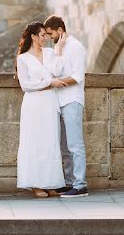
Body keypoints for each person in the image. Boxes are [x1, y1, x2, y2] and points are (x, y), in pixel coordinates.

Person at [16, 21, 68, 198]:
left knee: (50, 143)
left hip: (49, 103)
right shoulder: (23, 58)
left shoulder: (49, 53)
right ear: (33, 36)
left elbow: (58, 70)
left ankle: (50, 183)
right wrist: (48, 83)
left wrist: (59, 48)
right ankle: (36, 184)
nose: (45, 38)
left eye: (46, 35)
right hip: (34, 106)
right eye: (42, 35)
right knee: (35, 143)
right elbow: (25, 85)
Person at [44, 15, 88, 197]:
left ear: (60, 30)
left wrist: (55, 82)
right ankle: (70, 182)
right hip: (59, 102)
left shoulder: (76, 46)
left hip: (72, 100)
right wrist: (59, 50)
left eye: (50, 33)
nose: (48, 37)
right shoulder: (58, 47)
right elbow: (54, 70)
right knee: (64, 146)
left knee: (75, 144)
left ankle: (80, 185)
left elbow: (78, 76)